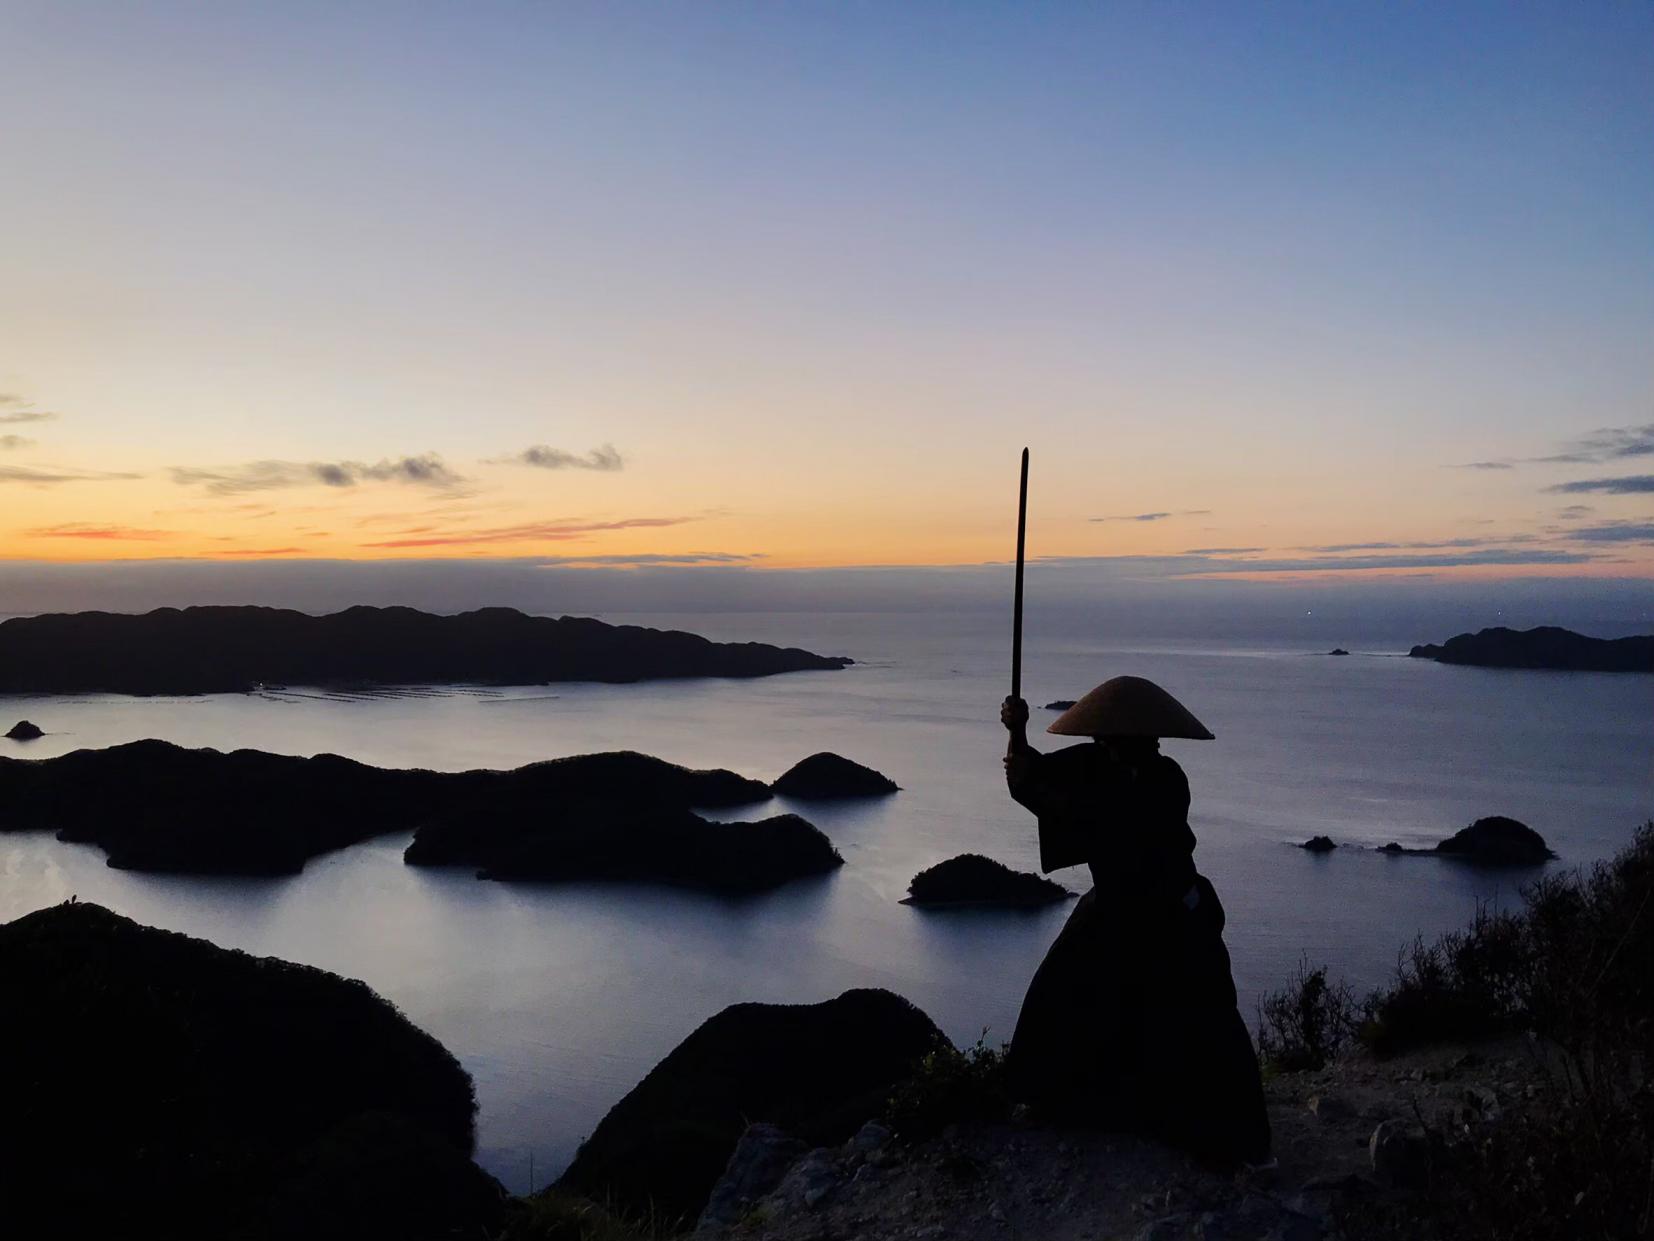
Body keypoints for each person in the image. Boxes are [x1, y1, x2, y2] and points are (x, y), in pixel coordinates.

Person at [1000, 676, 1270, 1165]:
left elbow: (1063, 797)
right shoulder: (1100, 769)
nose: (1104, 744)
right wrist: (1018, 732)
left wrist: (1029, 766)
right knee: (1065, 994)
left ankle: (1229, 1133)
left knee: (1198, 1013)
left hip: (1167, 908)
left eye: (1110, 739)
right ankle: (1088, 1104)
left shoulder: (1164, 780)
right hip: (1123, 904)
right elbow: (1029, 778)